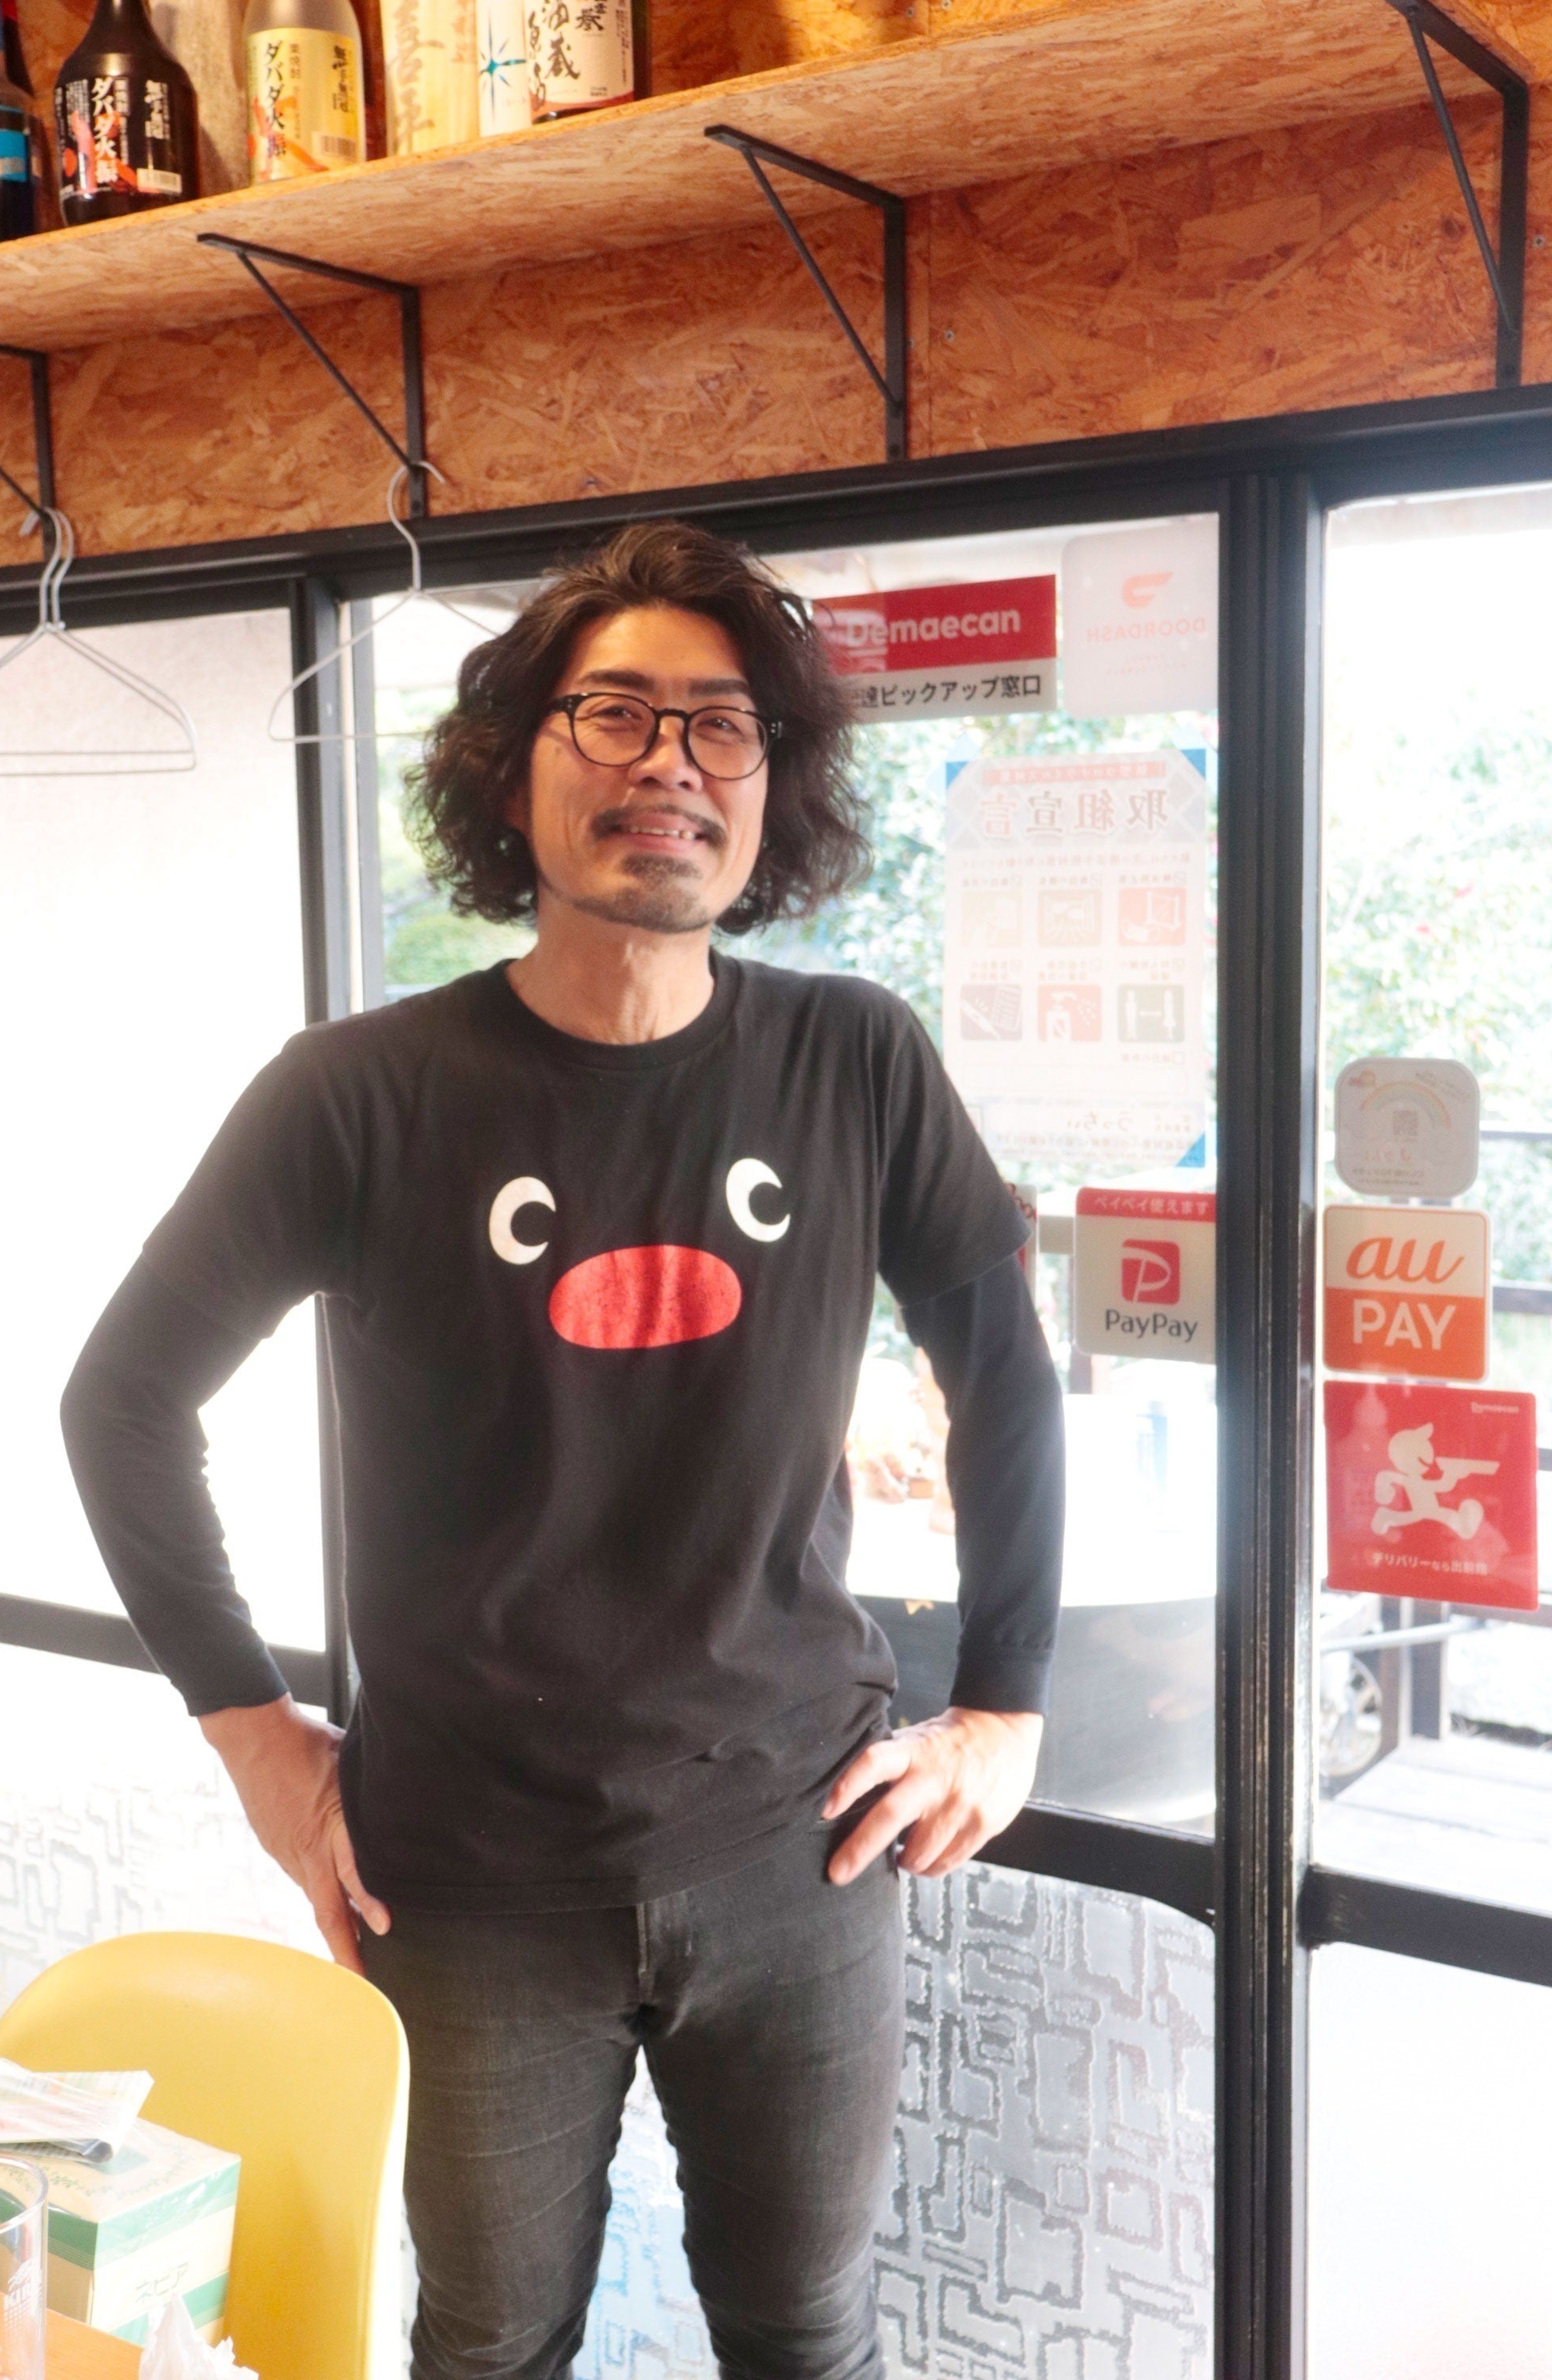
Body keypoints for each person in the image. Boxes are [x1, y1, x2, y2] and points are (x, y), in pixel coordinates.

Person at [62, 521, 1065, 2380]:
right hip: (465, 1875)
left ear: (770, 786)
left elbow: (1001, 1370)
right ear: (511, 768)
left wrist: (1003, 1703)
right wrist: (254, 1733)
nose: (667, 762)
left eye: (719, 724)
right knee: (491, 2342)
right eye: (612, 713)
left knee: (805, 2336)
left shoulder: (854, 1061)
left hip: (797, 1850)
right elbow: (121, 1401)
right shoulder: (359, 1094)